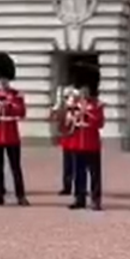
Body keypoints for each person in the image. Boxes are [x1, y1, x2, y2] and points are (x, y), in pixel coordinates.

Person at [0, 52, 28, 206]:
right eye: (0, 79)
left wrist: (9, 105)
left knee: (15, 167)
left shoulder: (16, 95)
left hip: (11, 135)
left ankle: (20, 195)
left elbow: (22, 113)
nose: (2, 81)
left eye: (4, 79)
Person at [68, 63, 104, 211]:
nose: (83, 92)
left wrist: (86, 112)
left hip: (91, 143)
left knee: (95, 174)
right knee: (79, 173)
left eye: (85, 89)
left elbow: (99, 122)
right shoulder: (74, 104)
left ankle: (96, 199)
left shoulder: (97, 105)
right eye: (81, 88)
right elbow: (66, 123)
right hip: (77, 143)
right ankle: (79, 198)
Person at [51, 80, 78, 196]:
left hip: (77, 137)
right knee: (67, 163)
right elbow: (55, 117)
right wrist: (57, 105)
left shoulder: (78, 102)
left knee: (78, 164)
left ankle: (79, 187)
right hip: (67, 136)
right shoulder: (63, 103)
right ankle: (67, 186)